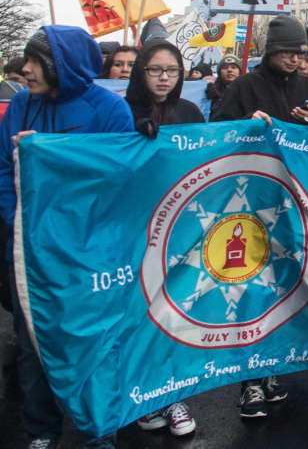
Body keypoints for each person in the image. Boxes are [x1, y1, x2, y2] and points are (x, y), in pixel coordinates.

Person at [1, 26, 135, 449]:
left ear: (65, 66)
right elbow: (4, 171)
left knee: (96, 345)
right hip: (30, 253)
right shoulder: (21, 106)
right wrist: (20, 221)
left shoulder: (110, 111)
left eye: (36, 61)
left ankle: (100, 429)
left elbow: (120, 181)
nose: (25, 69)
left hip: (88, 256)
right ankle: (41, 430)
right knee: (33, 349)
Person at [210, 16, 308, 418]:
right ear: (270, 51)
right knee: (253, 291)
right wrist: (249, 125)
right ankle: (250, 383)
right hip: (252, 207)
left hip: (297, 205)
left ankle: (273, 368)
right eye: (287, 52)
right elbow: (217, 135)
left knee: (288, 288)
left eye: (300, 52)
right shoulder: (244, 87)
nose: (296, 59)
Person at [125, 40, 202, 437]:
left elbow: (215, 152)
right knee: (141, 313)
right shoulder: (122, 112)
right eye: (155, 70)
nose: (164, 78)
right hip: (138, 228)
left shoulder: (189, 111)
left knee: (174, 313)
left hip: (183, 229)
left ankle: (174, 397)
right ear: (141, 72)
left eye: (171, 71)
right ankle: (144, 395)